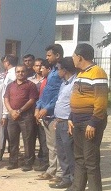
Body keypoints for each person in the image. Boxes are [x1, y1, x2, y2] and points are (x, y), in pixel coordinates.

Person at [61, 43, 108, 191]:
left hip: (90, 121)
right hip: (77, 121)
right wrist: (70, 118)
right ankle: (77, 189)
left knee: (90, 158)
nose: (72, 59)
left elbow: (101, 102)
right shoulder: (81, 74)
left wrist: (94, 123)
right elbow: (76, 98)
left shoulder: (97, 72)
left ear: (80, 57)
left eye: (74, 56)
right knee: (79, 157)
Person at [35, 44, 64, 183]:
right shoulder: (51, 72)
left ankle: (59, 173)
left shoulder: (61, 72)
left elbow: (59, 95)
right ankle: (51, 170)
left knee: (57, 146)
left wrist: (47, 108)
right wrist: (38, 106)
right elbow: (46, 92)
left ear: (57, 56)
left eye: (49, 55)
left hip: (53, 115)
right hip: (45, 114)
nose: (47, 58)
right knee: (50, 145)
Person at [3, 65, 39, 171]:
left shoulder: (31, 85)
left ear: (26, 72)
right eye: (18, 71)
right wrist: (11, 111)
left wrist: (19, 111)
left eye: (22, 71)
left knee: (28, 140)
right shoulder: (10, 85)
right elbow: (6, 99)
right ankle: (13, 162)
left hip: (26, 116)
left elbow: (32, 100)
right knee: (13, 140)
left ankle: (28, 162)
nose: (20, 73)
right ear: (15, 73)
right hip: (12, 116)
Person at [52, 57, 77, 190]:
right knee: (61, 152)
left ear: (65, 70)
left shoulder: (75, 83)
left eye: (58, 68)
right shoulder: (64, 83)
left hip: (68, 123)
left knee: (70, 153)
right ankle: (66, 179)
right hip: (60, 121)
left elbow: (74, 105)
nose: (56, 71)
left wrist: (69, 120)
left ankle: (75, 182)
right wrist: (57, 119)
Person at [28, 58, 48, 171]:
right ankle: (30, 159)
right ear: (33, 67)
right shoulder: (29, 80)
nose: (38, 68)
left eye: (41, 66)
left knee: (43, 138)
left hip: (42, 112)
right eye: (36, 65)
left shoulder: (47, 79)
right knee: (30, 137)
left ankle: (44, 160)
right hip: (30, 112)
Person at [0, 54, 18, 161]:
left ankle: (13, 158)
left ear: (7, 62)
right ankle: (0, 155)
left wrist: (7, 112)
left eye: (4, 61)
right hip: (4, 108)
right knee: (4, 133)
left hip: (10, 108)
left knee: (11, 136)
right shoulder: (5, 74)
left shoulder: (14, 74)